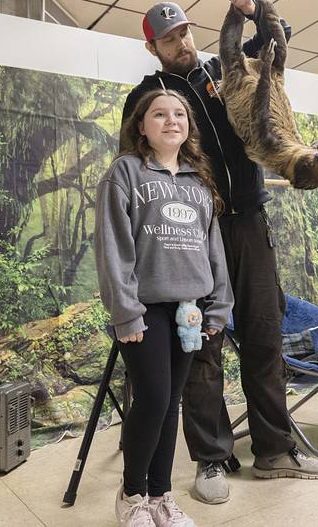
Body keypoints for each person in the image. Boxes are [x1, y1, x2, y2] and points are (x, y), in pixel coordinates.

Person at [122, 0, 318, 504]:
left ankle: (275, 450)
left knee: (264, 335)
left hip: (250, 223)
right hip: (191, 233)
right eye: (170, 39)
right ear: (153, 47)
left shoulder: (224, 69)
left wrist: (254, 10)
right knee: (201, 346)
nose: (183, 42)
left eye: (185, 31)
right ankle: (212, 458)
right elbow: (139, 168)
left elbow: (272, 47)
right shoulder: (148, 98)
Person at [95, 89, 233, 526]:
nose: (171, 120)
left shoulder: (199, 182)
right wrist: (126, 311)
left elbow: (214, 251)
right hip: (145, 310)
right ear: (141, 125)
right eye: (159, 114)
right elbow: (113, 247)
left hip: (189, 310)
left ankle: (161, 497)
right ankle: (132, 494)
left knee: (172, 402)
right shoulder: (125, 172)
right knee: (152, 401)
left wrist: (218, 307)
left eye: (179, 114)